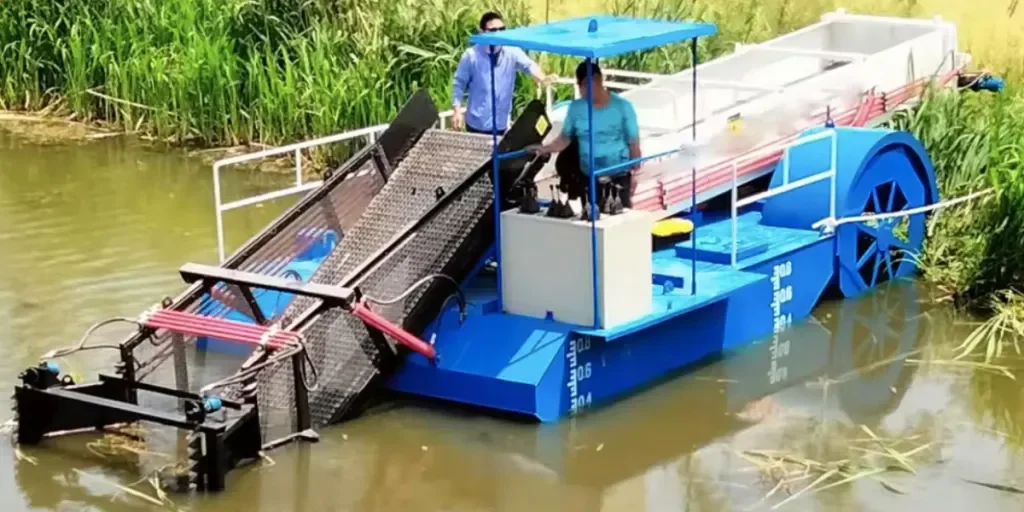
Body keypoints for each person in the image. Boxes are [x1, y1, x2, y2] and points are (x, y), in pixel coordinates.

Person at [527, 61, 641, 208]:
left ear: (597, 80)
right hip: (589, 178)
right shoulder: (576, 108)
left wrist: (635, 176)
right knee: (591, 221)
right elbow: (564, 138)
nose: (582, 90)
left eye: (584, 85)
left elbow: (634, 144)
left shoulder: (623, 107)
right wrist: (544, 148)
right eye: (580, 86)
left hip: (618, 178)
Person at [451, 11, 556, 134]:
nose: (499, 33)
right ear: (482, 32)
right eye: (493, 30)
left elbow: (528, 65)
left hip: (501, 123)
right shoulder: (471, 56)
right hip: (476, 124)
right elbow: (458, 83)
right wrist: (457, 111)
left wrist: (542, 78)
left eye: (502, 29)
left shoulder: (511, 51)